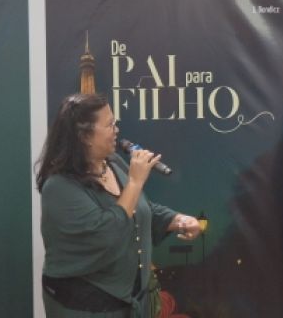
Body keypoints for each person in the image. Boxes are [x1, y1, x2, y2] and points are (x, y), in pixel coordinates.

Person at [36, 93, 202, 318]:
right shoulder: (59, 187)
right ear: (84, 136)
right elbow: (108, 235)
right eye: (110, 125)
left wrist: (177, 220)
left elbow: (139, 208)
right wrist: (134, 182)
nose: (117, 130)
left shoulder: (113, 163)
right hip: (87, 308)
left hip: (131, 304)